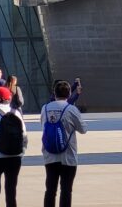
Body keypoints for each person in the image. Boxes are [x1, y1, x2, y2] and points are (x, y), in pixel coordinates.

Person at [41, 79, 88, 207]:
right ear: (68, 95)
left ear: (54, 94)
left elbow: (43, 126)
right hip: (68, 155)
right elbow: (83, 129)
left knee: (50, 189)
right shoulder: (71, 109)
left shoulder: (45, 108)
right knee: (66, 190)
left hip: (50, 155)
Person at [0, 85, 27, 207]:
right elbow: (24, 137)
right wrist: (21, 153)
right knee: (11, 193)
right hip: (14, 157)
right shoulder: (16, 113)